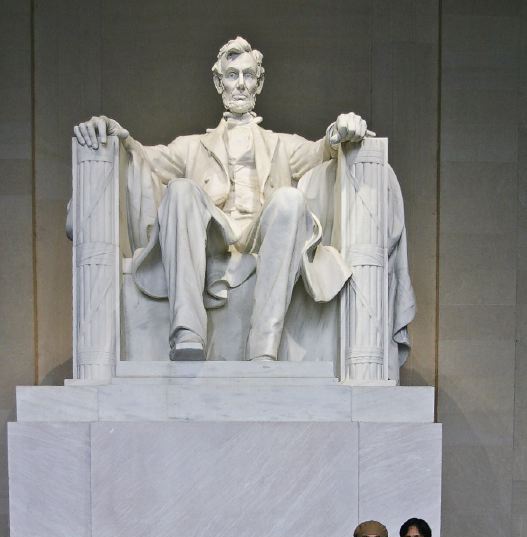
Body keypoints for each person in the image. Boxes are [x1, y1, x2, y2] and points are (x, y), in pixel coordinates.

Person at [73, 36, 415, 365]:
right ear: (219, 82)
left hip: (262, 232)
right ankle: (188, 333)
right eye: (232, 75)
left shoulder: (281, 144)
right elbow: (143, 158)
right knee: (180, 190)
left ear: (259, 83)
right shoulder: (192, 146)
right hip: (213, 236)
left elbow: (321, 149)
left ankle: (263, 346)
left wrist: (340, 130)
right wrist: (115, 134)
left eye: (248, 75)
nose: (240, 83)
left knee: (290, 200)